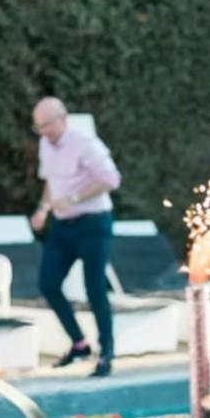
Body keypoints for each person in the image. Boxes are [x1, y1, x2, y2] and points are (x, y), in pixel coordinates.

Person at [31, 96, 121, 378]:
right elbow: (51, 180)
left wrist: (74, 198)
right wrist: (43, 209)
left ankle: (106, 352)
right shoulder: (46, 144)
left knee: (94, 288)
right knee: (48, 283)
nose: (44, 131)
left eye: (47, 125)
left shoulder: (86, 144)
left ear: (63, 118)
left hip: (94, 223)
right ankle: (79, 343)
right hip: (62, 226)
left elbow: (111, 179)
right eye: (39, 127)